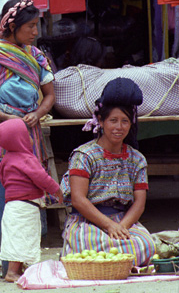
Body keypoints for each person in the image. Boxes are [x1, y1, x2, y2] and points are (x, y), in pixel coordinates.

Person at [0, 0, 55, 240]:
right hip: (0, 135)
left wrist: (37, 114)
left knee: (29, 183)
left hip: (29, 134)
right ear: (13, 27)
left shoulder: (36, 56)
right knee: (3, 185)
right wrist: (5, 117)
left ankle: (25, 245)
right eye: (31, 27)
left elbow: (49, 96)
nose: (35, 32)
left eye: (37, 26)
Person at [60, 77, 156, 266]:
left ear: (131, 124)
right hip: (87, 221)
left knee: (146, 245)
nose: (119, 127)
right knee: (93, 244)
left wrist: (121, 227)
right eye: (113, 120)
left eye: (125, 121)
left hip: (122, 221)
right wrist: (108, 225)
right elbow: (79, 200)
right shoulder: (84, 155)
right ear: (101, 121)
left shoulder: (137, 159)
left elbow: (139, 204)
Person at [0, 118, 63, 282]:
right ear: (20, 139)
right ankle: (12, 273)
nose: (31, 138)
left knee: (16, 237)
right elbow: (41, 178)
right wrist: (56, 190)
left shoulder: (6, 159)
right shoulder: (27, 159)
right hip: (26, 206)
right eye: (28, 134)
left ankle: (17, 269)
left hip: (12, 206)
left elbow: (3, 179)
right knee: (24, 237)